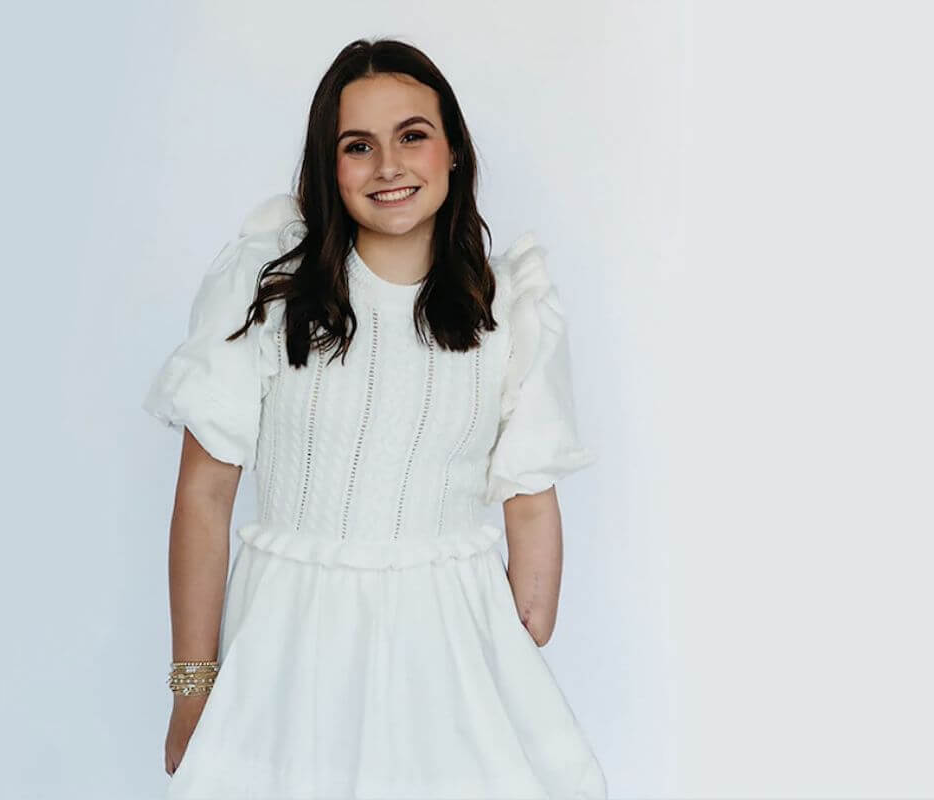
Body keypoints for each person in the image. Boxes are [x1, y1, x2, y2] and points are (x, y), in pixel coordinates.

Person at [142, 37, 607, 800]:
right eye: (358, 146)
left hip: (445, 648)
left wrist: (504, 653)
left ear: (452, 150)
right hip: (293, 648)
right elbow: (204, 495)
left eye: (412, 136)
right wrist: (193, 686)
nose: (389, 165)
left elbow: (530, 499)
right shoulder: (272, 297)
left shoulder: (506, 311)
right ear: (330, 170)